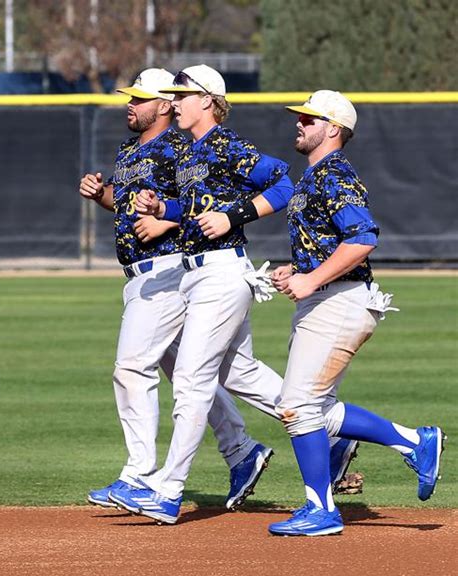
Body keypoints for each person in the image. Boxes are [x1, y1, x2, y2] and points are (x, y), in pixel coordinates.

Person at [110, 66, 360, 525]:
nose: (174, 102)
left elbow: (282, 181)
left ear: (207, 100)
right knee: (235, 371)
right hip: (192, 273)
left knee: (190, 378)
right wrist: (164, 209)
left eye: (181, 94)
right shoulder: (189, 151)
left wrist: (235, 216)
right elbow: (197, 207)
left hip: (222, 272)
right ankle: (332, 434)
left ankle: (166, 491)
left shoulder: (227, 145)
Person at [79, 68, 277, 511]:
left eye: (140, 98)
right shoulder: (132, 148)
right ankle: (245, 449)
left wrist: (169, 218)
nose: (129, 104)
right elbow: (133, 204)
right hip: (147, 274)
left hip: (172, 270)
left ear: (166, 104)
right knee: (209, 372)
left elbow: (203, 198)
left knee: (136, 367)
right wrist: (103, 195)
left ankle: (141, 474)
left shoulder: (181, 147)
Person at [266, 90, 446, 536]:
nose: (300, 124)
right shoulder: (314, 176)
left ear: (333, 129)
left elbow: (363, 237)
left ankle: (321, 509)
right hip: (329, 296)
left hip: (339, 300)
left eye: (309, 119)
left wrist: (310, 280)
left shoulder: (334, 175)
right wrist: (300, 270)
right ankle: (415, 442)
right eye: (301, 118)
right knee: (316, 407)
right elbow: (331, 243)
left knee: (296, 406)